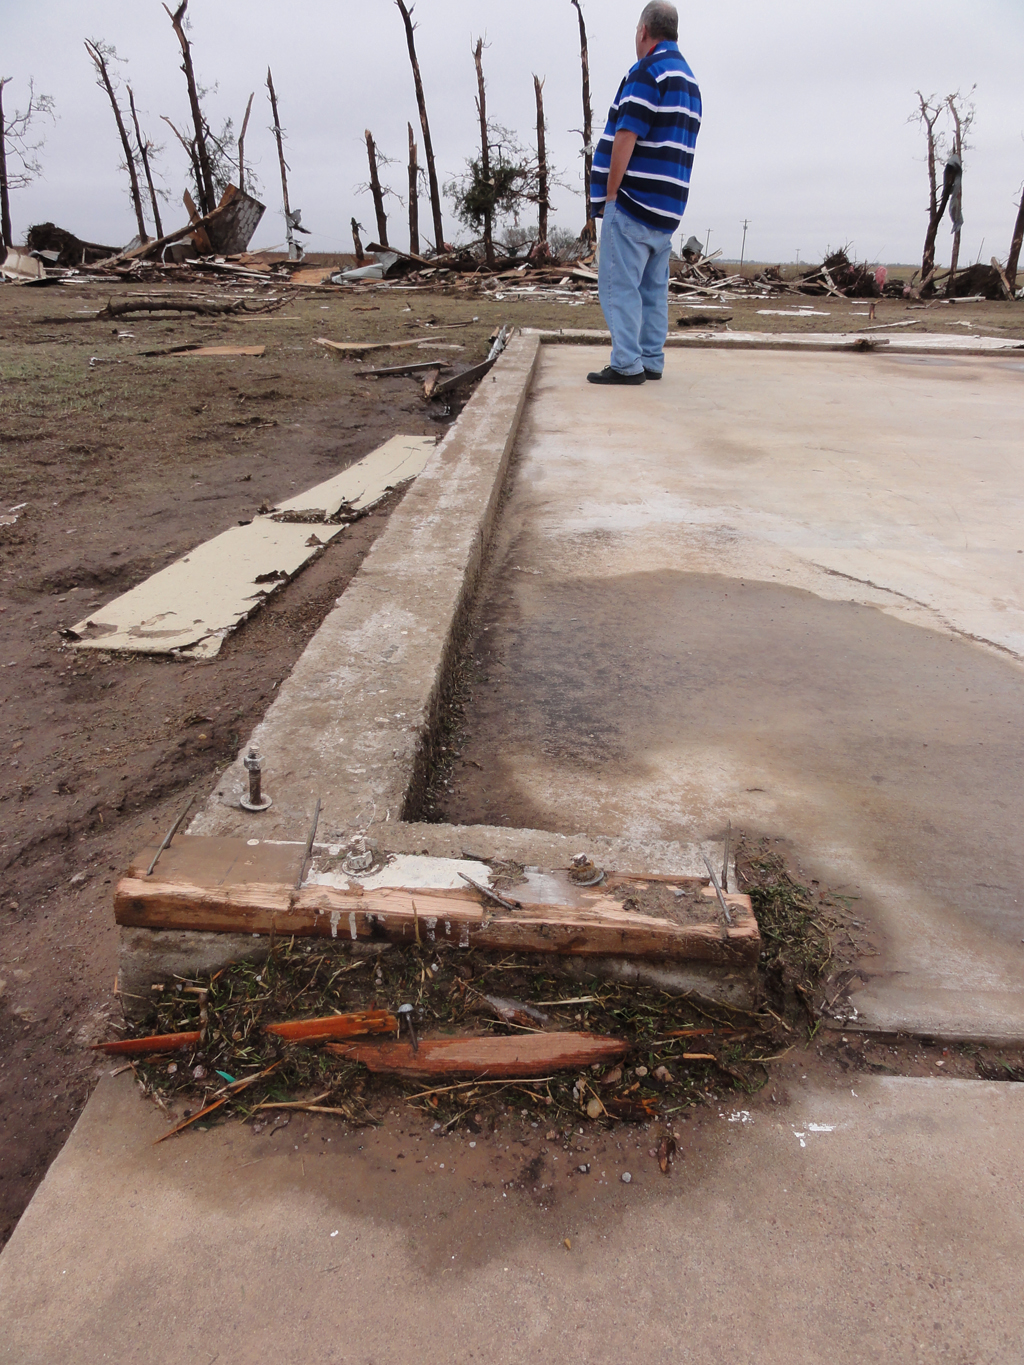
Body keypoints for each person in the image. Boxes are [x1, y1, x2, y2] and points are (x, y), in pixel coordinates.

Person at [587, 2, 702, 385]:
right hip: (667, 208)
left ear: (643, 32)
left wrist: (612, 194)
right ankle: (651, 360)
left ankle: (626, 363)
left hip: (634, 201)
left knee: (619, 286)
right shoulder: (690, 81)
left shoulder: (647, 71)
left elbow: (626, 134)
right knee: (653, 292)